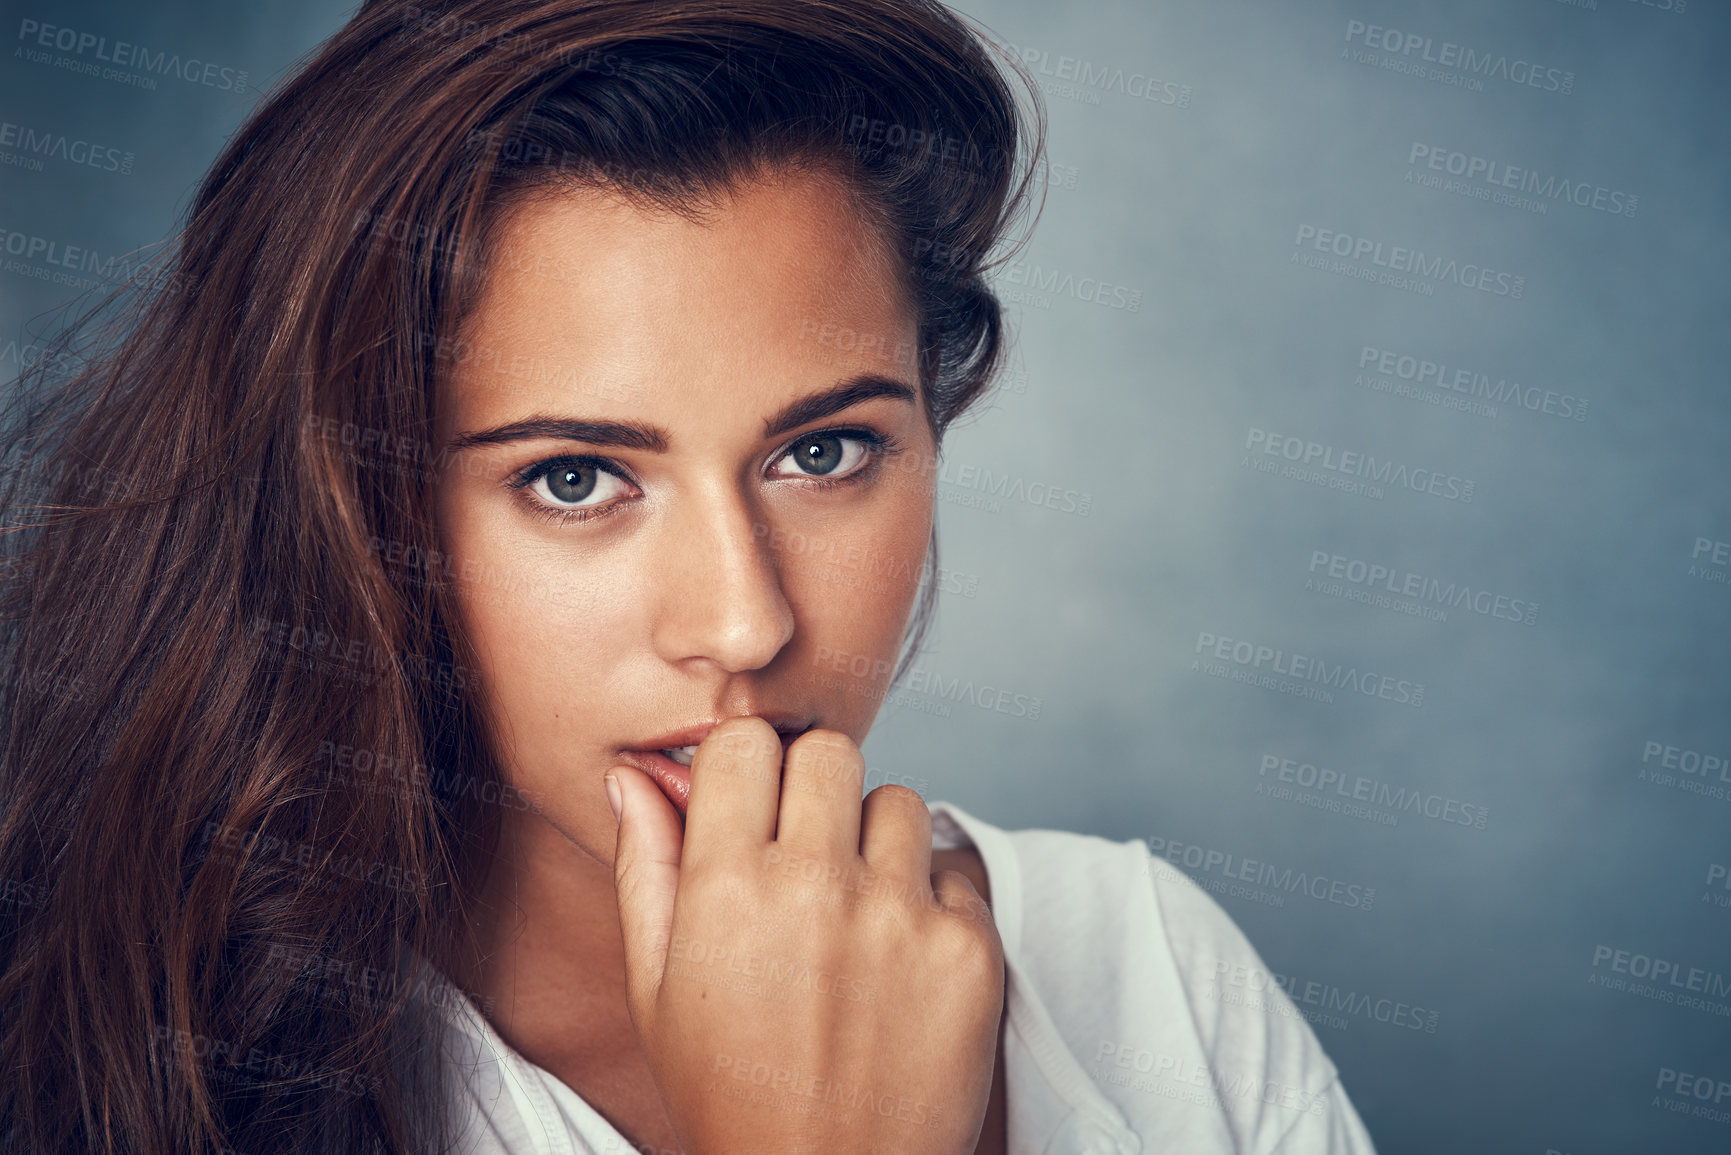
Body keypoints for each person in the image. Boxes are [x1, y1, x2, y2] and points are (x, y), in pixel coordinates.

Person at [0, 1, 1378, 1153]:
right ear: (359, 502)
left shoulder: (1141, 969)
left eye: (826, 451)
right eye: (576, 478)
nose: (745, 622)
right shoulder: (123, 1056)